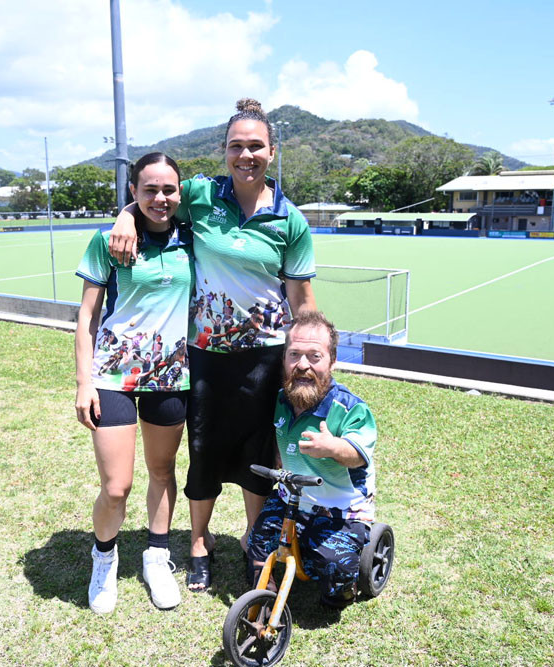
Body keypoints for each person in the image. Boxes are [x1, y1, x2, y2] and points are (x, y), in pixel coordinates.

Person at [109, 98, 317, 593]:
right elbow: (156, 195)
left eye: (256, 147)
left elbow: (302, 300)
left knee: (256, 452)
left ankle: (253, 539)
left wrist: (307, 360)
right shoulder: (203, 195)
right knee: (202, 451)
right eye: (235, 147)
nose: (246, 156)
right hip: (203, 354)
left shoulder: (290, 220)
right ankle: (199, 542)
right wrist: (123, 215)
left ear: (272, 151)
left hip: (265, 357)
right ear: (224, 151)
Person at [74, 152, 194, 614]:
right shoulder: (108, 241)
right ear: (133, 192)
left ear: (179, 193)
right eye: (149, 190)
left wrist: (128, 213)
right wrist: (85, 382)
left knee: (163, 472)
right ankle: (103, 557)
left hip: (170, 376)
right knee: (117, 486)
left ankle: (156, 557)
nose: (159, 198)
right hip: (114, 376)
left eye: (168, 190)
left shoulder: (193, 236)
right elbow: (86, 316)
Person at [246, 310, 378, 609]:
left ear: (332, 361)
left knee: (333, 567)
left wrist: (333, 447)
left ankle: (343, 589)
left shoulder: (349, 408)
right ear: (284, 359)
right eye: (294, 355)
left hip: (340, 509)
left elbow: (358, 456)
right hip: (291, 497)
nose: (303, 365)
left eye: (314, 356)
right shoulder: (281, 400)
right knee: (257, 541)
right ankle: (263, 592)